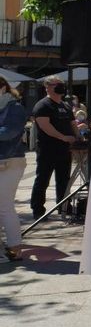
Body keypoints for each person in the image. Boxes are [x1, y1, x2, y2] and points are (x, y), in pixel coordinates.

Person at [30, 76, 76, 220]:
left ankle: (63, 207)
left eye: (62, 84)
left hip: (64, 150)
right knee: (43, 179)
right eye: (57, 84)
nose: (61, 87)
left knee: (64, 180)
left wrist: (79, 137)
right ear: (48, 87)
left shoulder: (65, 105)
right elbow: (46, 127)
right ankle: (38, 210)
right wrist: (63, 137)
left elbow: (72, 123)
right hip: (47, 149)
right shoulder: (42, 105)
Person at [0, 77, 27, 263]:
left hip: (10, 161)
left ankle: (15, 247)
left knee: (5, 206)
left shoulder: (15, 107)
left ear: (3, 88)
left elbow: (9, 132)